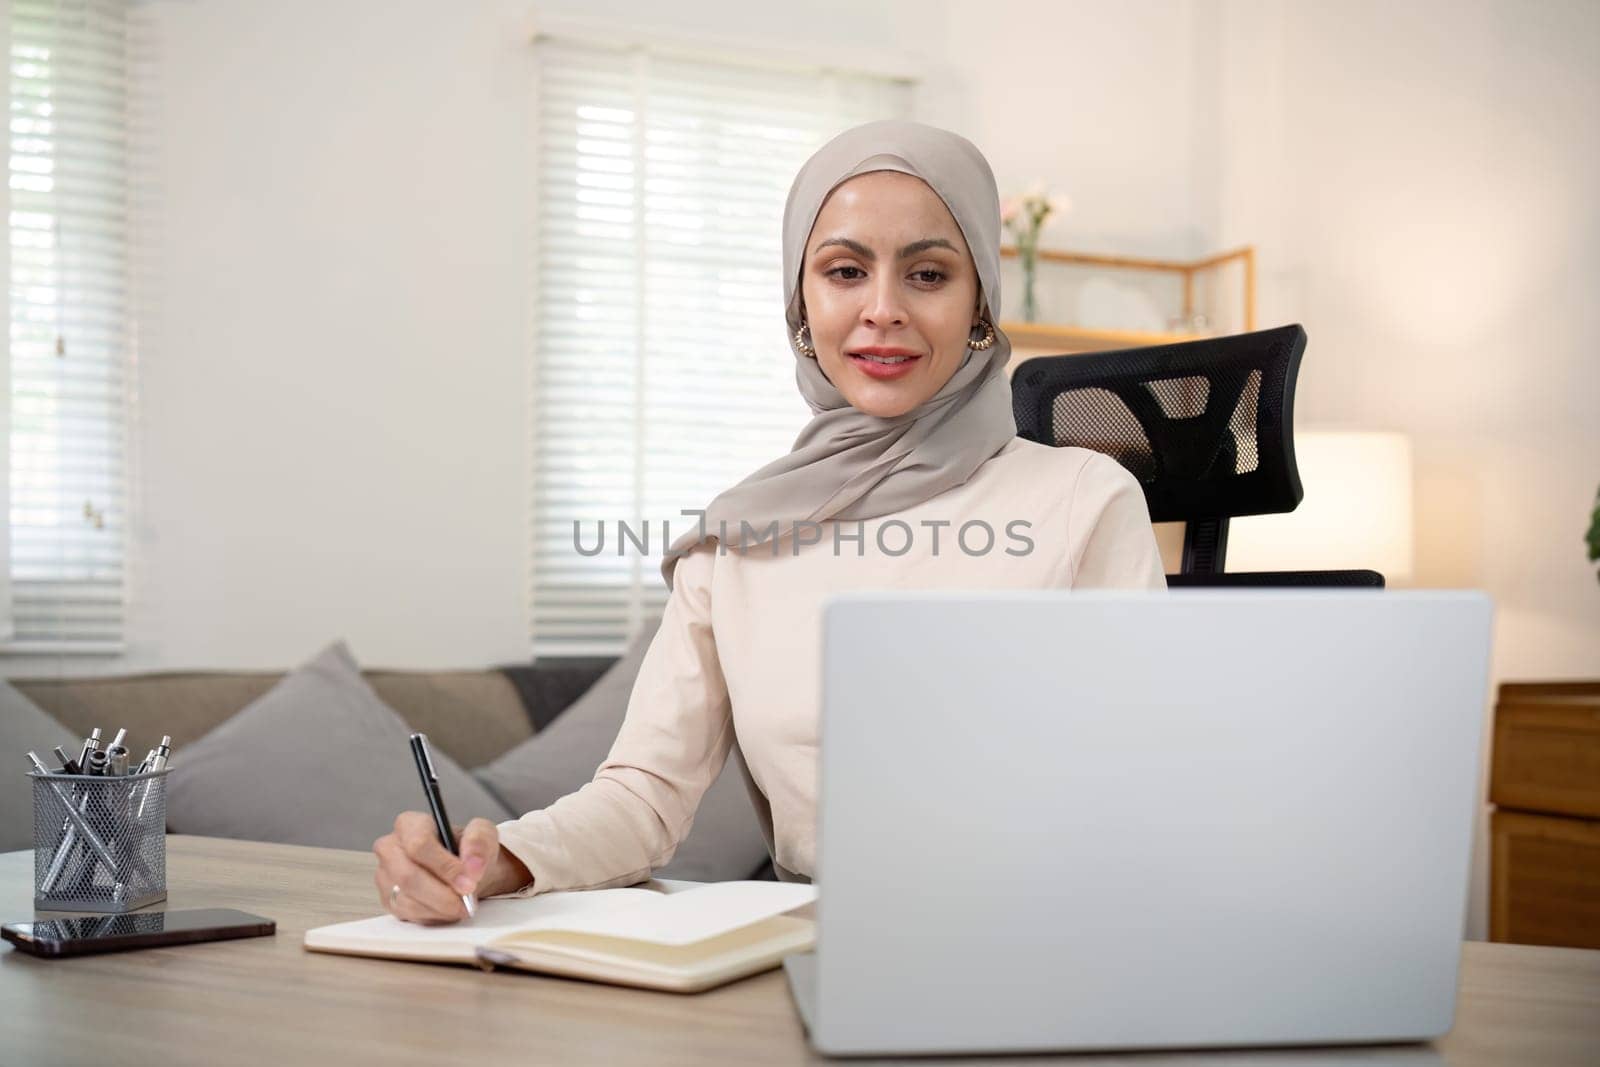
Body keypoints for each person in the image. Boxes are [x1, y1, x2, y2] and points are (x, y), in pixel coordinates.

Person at [373, 119, 1166, 924]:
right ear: (801, 301)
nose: (882, 309)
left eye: (928, 274)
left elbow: (1147, 788)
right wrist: (497, 858)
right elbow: (645, 795)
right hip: (817, 962)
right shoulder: (738, 540)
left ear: (980, 305)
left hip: (1044, 946)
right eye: (845, 271)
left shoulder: (1084, 500)